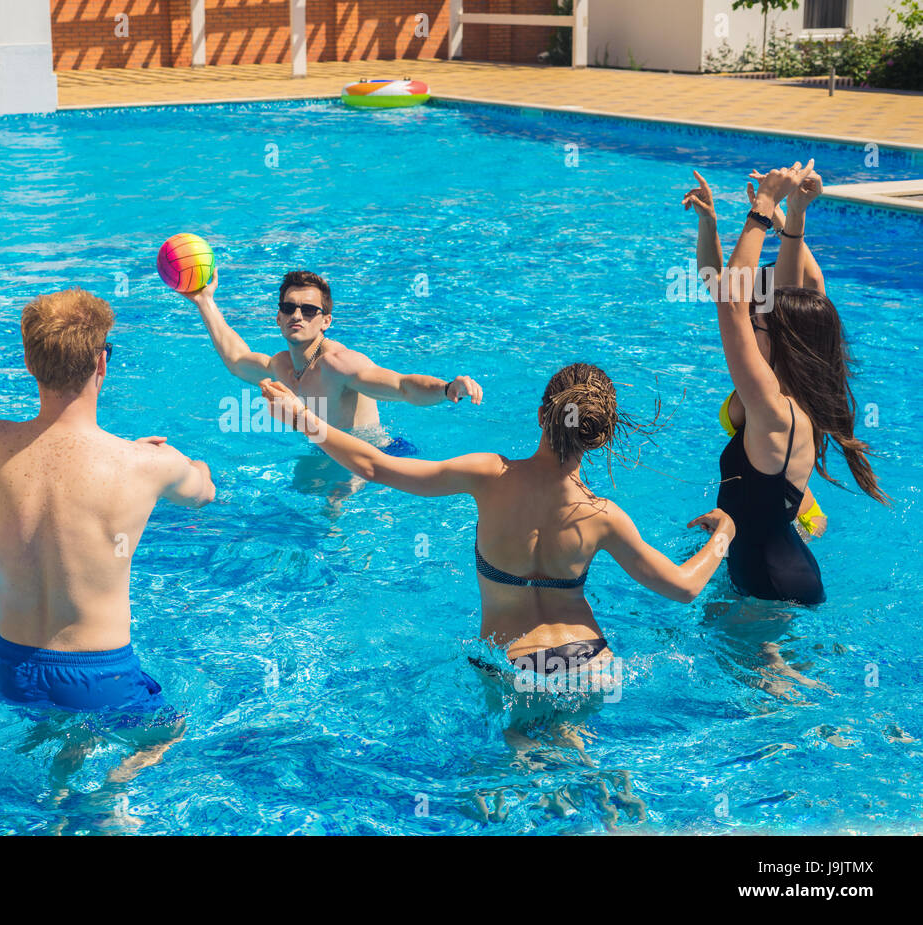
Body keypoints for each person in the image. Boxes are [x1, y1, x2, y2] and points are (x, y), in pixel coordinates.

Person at [259, 363, 735, 680]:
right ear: (602, 436)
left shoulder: (490, 474)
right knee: (589, 775)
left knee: (509, 777)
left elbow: (374, 467)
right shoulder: (602, 515)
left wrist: (305, 419)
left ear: (541, 415)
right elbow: (682, 588)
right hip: (593, 665)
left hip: (515, 664)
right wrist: (724, 536)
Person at [0, 287, 214, 728]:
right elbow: (203, 493)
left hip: (12, 670)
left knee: (54, 738)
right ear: (102, 362)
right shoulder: (145, 465)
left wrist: (131, 458)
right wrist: (173, 461)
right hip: (99, 674)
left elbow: (60, 471)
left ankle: (62, 784)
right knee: (173, 730)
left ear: (30, 363)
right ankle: (107, 794)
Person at [711, 160, 887, 605]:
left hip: (768, 583)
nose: (752, 327)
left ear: (783, 343)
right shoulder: (803, 400)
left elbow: (731, 302)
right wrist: (797, 216)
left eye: (760, 325)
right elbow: (806, 300)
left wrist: (765, 208)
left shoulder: (771, 408)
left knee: (774, 676)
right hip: (785, 569)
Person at [179, 269, 484, 448]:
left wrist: (445, 389)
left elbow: (401, 386)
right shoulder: (282, 365)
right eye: (289, 308)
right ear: (278, 318)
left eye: (309, 310)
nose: (297, 315)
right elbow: (237, 359)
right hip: (326, 453)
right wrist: (205, 302)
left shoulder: (339, 364)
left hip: (376, 459)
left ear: (326, 321)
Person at [683, 169, 827, 539]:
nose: (750, 313)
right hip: (779, 508)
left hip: (792, 519)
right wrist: (709, 223)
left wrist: (783, 213)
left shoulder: (777, 371)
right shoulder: (767, 342)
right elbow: (719, 283)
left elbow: (805, 284)